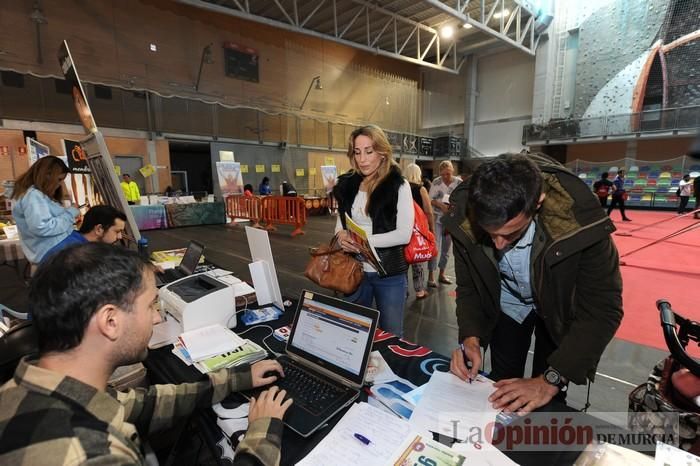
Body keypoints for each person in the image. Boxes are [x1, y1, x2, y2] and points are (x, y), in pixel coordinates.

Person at [0, 243, 292, 465]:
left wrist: (234, 379)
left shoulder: (30, 389)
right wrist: (260, 435)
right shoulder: (95, 454)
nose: (155, 319)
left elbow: (142, 404)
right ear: (110, 321)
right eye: (151, 305)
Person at [444, 153, 623, 415]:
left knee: (547, 396)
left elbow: (603, 310)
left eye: (510, 233)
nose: (498, 245)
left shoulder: (581, 223)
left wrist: (550, 381)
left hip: (558, 307)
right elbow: (470, 288)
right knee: (501, 382)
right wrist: (471, 338)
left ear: (538, 203)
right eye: (489, 233)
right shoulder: (465, 218)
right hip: (508, 304)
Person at [333, 125, 414, 336]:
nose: (363, 159)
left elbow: (404, 234)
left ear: (382, 152)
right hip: (354, 270)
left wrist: (363, 240)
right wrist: (341, 236)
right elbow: (341, 223)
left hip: (389, 274)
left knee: (392, 335)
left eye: (369, 151)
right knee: (353, 332)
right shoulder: (347, 185)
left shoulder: (398, 185)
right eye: (357, 152)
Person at [11, 155, 80, 264]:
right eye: (59, 179)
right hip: (52, 253)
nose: (59, 184)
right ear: (47, 175)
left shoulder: (32, 194)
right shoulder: (33, 196)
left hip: (52, 252)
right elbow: (42, 227)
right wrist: (70, 213)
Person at [42, 204, 127, 261]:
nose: (120, 237)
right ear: (99, 229)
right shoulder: (76, 255)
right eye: (117, 231)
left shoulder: (77, 243)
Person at [428, 160, 461, 287]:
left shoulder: (459, 183)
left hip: (451, 220)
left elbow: (463, 199)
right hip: (437, 219)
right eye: (443, 174)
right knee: (435, 247)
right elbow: (430, 199)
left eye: (448, 173)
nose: (446, 177)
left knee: (446, 249)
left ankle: (442, 274)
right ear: (440, 173)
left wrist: (453, 206)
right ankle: (431, 275)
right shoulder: (436, 182)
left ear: (452, 171)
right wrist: (440, 204)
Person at [404, 163, 435, 300]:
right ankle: (419, 291)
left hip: (403, 228)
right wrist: (431, 229)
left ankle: (404, 291)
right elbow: (428, 211)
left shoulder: (400, 188)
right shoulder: (421, 189)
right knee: (417, 259)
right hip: (418, 229)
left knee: (403, 261)